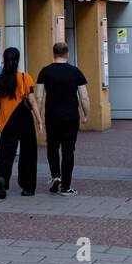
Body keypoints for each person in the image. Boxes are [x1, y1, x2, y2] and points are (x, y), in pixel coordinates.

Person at [37, 42, 90, 196]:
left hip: (52, 117)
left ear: (53, 54)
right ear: (67, 54)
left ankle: (56, 175)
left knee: (52, 147)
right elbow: (84, 97)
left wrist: (39, 118)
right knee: (68, 150)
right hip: (71, 117)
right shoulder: (75, 72)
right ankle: (66, 187)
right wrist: (86, 115)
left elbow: (39, 97)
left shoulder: (45, 72)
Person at [0, 47, 43, 198]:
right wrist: (39, 121)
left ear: (4, 61)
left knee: (6, 152)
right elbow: (32, 101)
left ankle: (2, 178)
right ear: (17, 60)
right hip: (25, 119)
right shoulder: (25, 77)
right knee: (28, 153)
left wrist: (1, 114)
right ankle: (28, 187)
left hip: (8, 120)